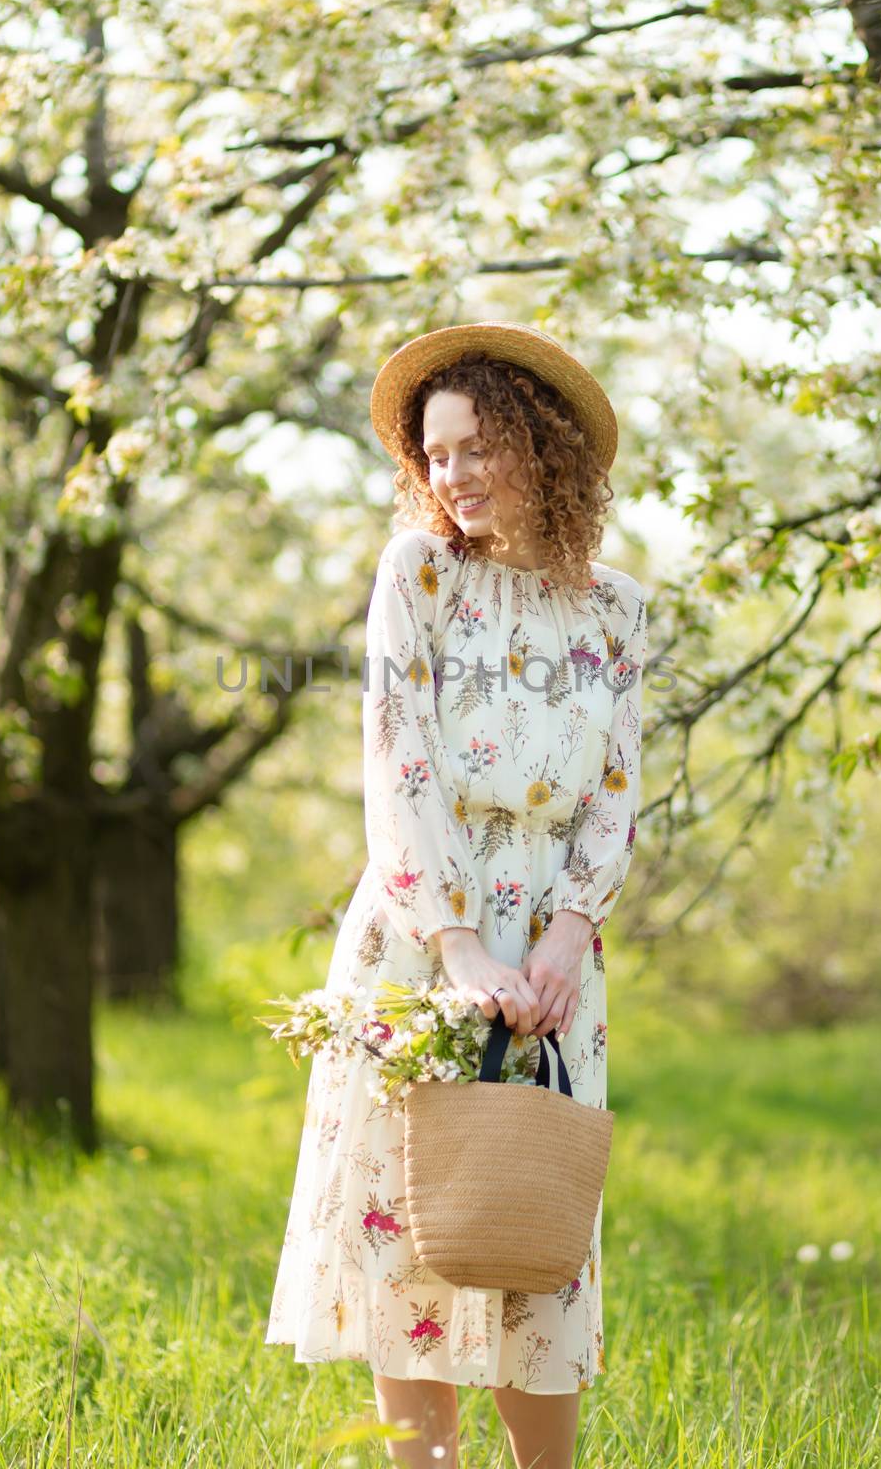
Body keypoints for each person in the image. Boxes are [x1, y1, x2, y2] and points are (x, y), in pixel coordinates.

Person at [264, 321, 649, 1469]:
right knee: (417, 1229)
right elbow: (400, 761)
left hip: (551, 951)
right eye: (435, 455)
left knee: (533, 1227)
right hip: (423, 930)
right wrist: (459, 947)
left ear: (542, 446)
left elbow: (616, 785)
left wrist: (569, 934)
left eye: (480, 444)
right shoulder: (418, 573)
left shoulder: (616, 608)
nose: (456, 474)